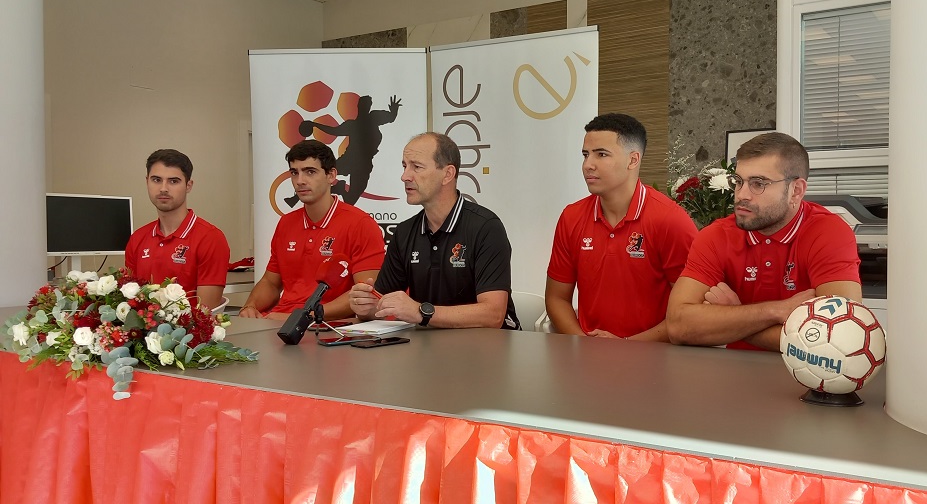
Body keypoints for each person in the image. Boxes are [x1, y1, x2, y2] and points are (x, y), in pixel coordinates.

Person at [666, 132, 862, 351]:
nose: (742, 195)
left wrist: (734, 317)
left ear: (796, 191)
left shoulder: (828, 232)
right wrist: (776, 311)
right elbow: (678, 326)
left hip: (806, 378)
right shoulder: (715, 235)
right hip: (732, 373)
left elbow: (839, 335)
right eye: (738, 181)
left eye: (758, 183)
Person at [546, 113, 698, 341]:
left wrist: (626, 347)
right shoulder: (572, 217)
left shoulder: (670, 220)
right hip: (588, 360)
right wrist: (582, 344)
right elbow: (556, 299)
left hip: (656, 362)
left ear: (633, 160)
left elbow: (692, 311)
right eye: (585, 155)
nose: (588, 165)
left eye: (601, 154)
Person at [349, 132, 520, 329]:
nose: (405, 176)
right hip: (430, 348)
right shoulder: (404, 232)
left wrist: (421, 312)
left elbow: (493, 315)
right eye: (405, 166)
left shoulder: (486, 227)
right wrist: (365, 307)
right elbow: (380, 304)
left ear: (447, 174)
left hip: (488, 349)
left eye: (417, 167)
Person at [240, 140, 385, 320]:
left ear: (331, 175)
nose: (300, 181)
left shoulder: (361, 224)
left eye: (310, 172)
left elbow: (365, 295)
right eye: (294, 173)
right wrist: (250, 306)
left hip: (328, 326)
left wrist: (304, 316)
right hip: (279, 322)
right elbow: (271, 282)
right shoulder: (286, 223)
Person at [125, 149, 230, 309]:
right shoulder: (138, 238)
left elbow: (206, 314)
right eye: (156, 180)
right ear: (147, 181)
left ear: (189, 185)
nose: (163, 188)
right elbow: (130, 301)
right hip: (144, 332)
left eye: (173, 181)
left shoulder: (210, 238)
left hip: (190, 332)